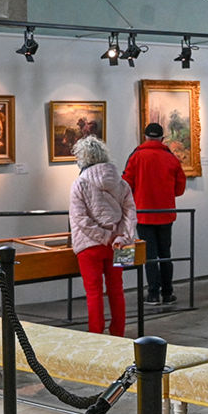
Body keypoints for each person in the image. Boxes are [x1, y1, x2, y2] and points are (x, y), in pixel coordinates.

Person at [69, 135, 137, 337]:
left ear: (82, 158)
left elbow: (80, 219)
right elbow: (130, 213)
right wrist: (122, 237)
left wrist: (104, 236)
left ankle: (96, 335)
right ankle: (118, 334)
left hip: (90, 246)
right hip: (120, 244)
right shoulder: (121, 183)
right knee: (117, 289)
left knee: (93, 292)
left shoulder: (80, 183)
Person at [123, 121, 187, 306]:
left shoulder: (136, 157)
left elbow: (127, 184)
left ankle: (152, 294)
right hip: (166, 213)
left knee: (149, 256)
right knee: (165, 253)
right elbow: (180, 189)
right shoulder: (171, 158)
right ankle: (168, 293)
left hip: (143, 214)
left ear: (145, 136)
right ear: (162, 138)